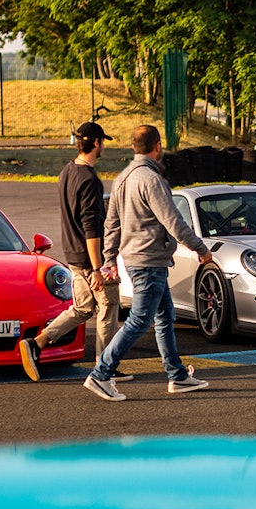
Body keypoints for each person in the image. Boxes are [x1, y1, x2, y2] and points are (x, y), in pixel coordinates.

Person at [83, 125, 213, 401]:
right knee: (140, 320)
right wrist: (200, 249)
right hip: (149, 261)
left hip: (135, 259)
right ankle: (101, 374)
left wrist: (109, 259)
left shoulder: (123, 179)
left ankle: (177, 376)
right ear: (157, 146)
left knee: (165, 317)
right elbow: (173, 221)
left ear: (133, 147)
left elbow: (112, 223)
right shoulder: (151, 180)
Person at [18, 121, 131, 382]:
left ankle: (37, 343)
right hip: (90, 258)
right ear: (96, 143)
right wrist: (99, 269)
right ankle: (105, 367)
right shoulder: (89, 180)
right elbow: (91, 228)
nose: (104, 146)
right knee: (108, 306)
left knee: (82, 308)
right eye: (102, 141)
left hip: (72, 255)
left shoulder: (67, 171)